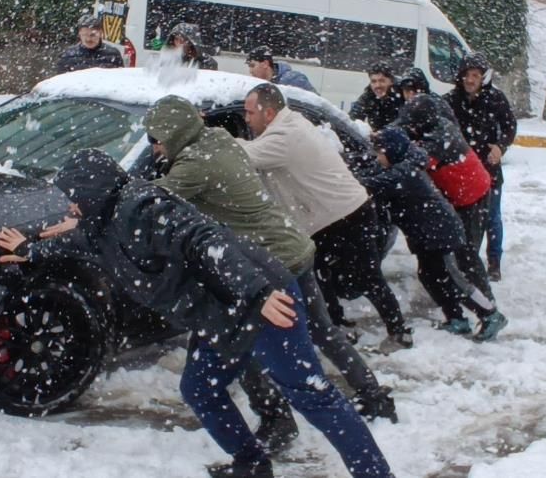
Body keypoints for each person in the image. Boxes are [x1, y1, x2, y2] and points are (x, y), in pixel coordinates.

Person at [0, 149, 394, 478]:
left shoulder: (145, 209)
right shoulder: (103, 222)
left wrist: (255, 293)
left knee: (310, 394)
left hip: (261, 298)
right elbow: (77, 241)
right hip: (218, 312)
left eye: (74, 196)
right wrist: (29, 250)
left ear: (94, 191)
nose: (71, 205)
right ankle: (252, 464)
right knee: (201, 388)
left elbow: (207, 240)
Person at [142, 96, 396, 453]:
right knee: (321, 332)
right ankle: (372, 394)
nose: (155, 146)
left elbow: (149, 202)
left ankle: (278, 419)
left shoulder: (196, 163)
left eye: (157, 138)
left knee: (244, 343)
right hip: (290, 248)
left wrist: (109, 192)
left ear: (175, 132)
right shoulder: (216, 138)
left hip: (271, 263)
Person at [237, 83, 413, 354]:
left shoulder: (286, 135)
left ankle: (399, 331)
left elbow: (244, 155)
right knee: (319, 274)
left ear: (269, 113)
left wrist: (205, 135)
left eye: (249, 113)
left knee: (367, 277)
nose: (246, 119)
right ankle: (339, 325)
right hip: (324, 218)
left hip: (349, 212)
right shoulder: (286, 124)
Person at [360, 127, 508, 342]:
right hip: (426, 235)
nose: (377, 157)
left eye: (380, 153)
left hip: (441, 233)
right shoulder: (399, 166)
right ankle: (456, 318)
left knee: (453, 278)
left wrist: (341, 176)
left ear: (391, 151)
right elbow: (371, 174)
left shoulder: (402, 173)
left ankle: (491, 314)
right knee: (429, 276)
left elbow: (369, 183)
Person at [393, 92, 493, 277]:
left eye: (413, 126)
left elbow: (417, 161)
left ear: (423, 122)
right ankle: (457, 280)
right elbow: (399, 128)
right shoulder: (425, 123)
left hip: (472, 195)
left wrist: (389, 150)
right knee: (455, 245)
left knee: (466, 250)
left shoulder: (441, 135)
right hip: (455, 195)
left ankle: (480, 294)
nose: (410, 129)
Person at [444, 53, 517, 281]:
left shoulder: (495, 99)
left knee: (491, 217)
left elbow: (509, 126)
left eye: (475, 75)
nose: (470, 79)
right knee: (461, 218)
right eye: (467, 74)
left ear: (483, 78)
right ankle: (466, 259)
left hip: (489, 170)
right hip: (460, 171)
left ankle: (494, 262)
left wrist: (500, 146)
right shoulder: (450, 100)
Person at [56, 14, 124, 73]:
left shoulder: (113, 54)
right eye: (85, 35)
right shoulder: (68, 56)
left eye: (93, 35)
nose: (88, 39)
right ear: (79, 34)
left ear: (100, 33)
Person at [349, 62, 405, 131]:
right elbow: (353, 118)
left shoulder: (403, 93)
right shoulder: (368, 95)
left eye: (382, 81)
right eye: (373, 81)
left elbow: (405, 120)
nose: (377, 85)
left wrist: (384, 133)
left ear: (391, 81)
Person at [245, 45, 318, 94]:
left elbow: (316, 105)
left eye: (252, 65)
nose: (250, 71)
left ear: (265, 64)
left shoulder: (292, 79)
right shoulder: (262, 85)